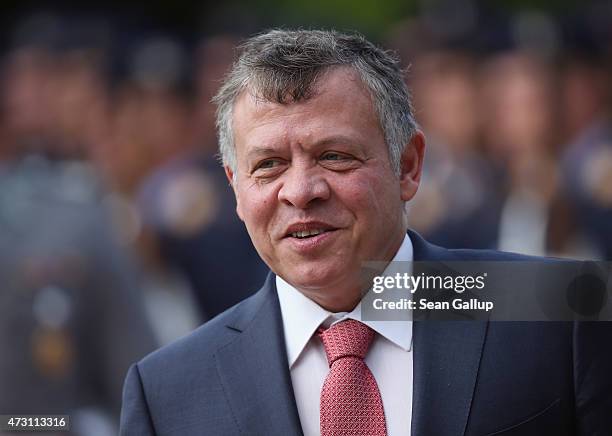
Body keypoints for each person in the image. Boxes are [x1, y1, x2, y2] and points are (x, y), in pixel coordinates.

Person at [119, 29, 612, 436]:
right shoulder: (168, 392)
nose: (301, 191)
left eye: (334, 156)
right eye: (268, 166)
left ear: (408, 165)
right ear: (235, 188)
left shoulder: (557, 310)